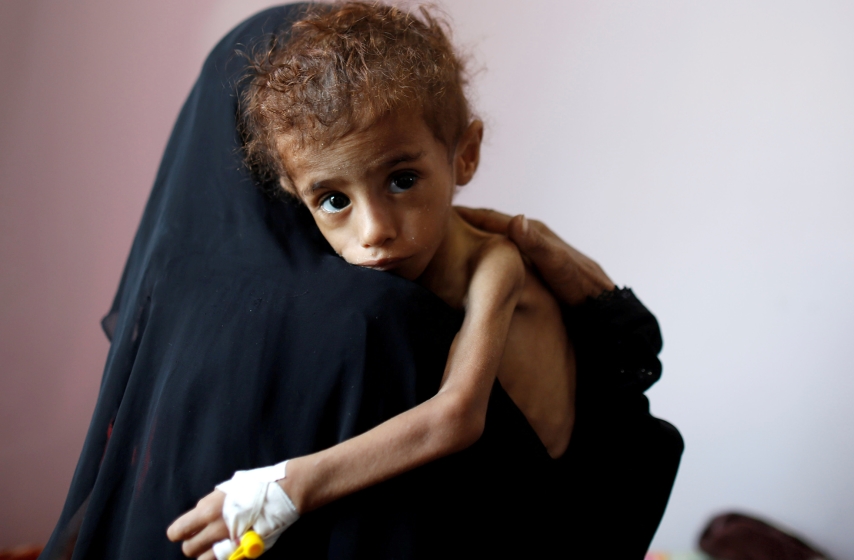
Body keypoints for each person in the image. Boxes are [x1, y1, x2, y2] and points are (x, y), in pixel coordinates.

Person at [40, 4, 682, 560]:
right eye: (333, 200)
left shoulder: (497, 262)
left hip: (551, 520)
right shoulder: (359, 282)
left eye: (402, 180)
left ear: (464, 155)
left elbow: (457, 417)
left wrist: (289, 486)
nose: (374, 231)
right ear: (293, 195)